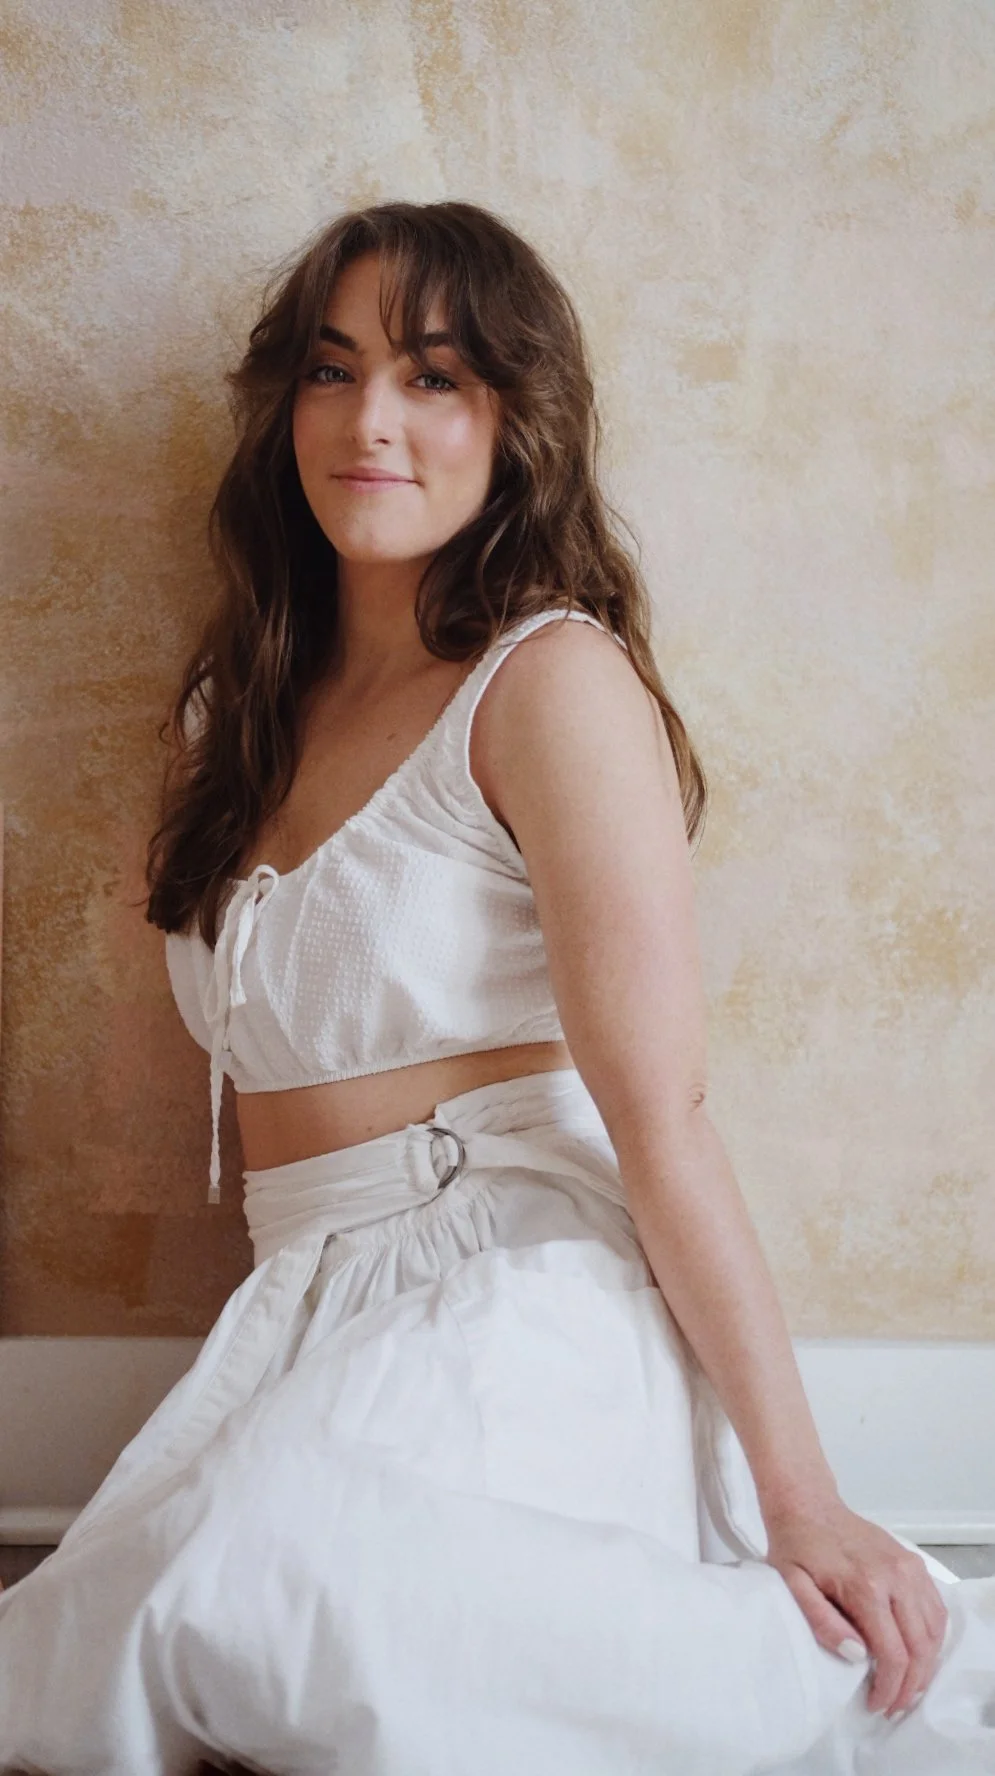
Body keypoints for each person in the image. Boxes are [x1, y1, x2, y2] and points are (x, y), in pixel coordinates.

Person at [0, 199, 992, 1776]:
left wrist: (799, 1495)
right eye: (332, 374)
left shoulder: (549, 682)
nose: (370, 422)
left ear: (514, 423)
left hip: (514, 1276)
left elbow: (659, 1114)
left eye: (433, 379)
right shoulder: (233, 707)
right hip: (305, 1298)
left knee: (265, 1600)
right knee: (91, 1669)